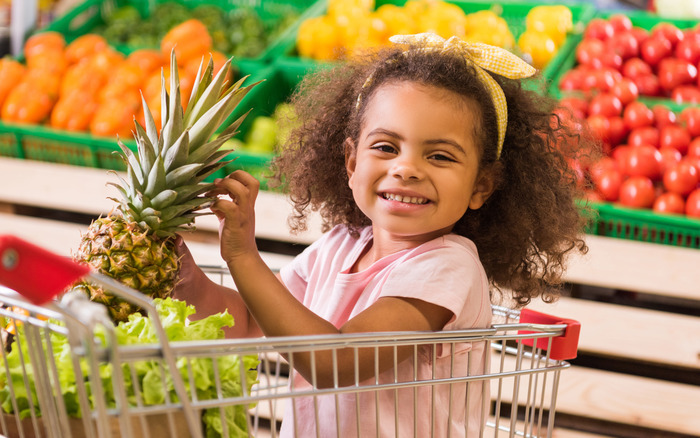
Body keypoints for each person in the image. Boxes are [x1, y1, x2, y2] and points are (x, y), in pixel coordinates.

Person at [174, 33, 592, 437]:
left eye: (440, 155)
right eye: (386, 148)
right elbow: (245, 319)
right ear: (351, 162)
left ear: (481, 186)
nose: (406, 168)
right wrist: (183, 273)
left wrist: (244, 258)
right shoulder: (338, 247)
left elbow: (335, 363)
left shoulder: (448, 267)